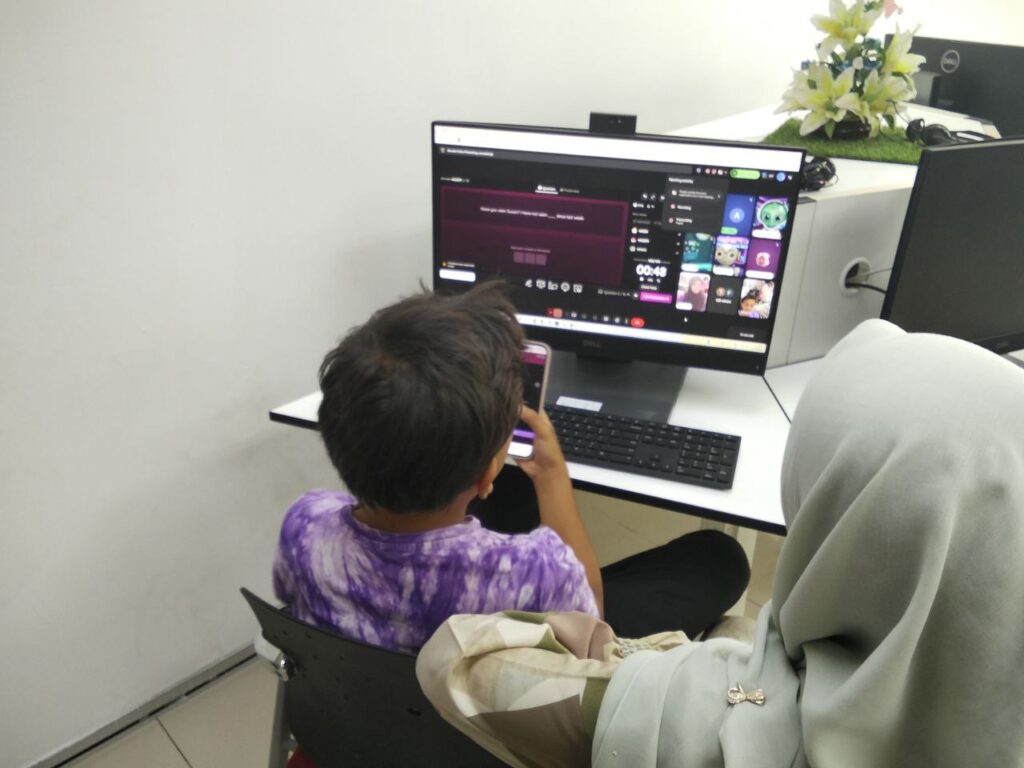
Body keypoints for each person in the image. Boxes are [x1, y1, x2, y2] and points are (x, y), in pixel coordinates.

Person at [419, 318, 1024, 767]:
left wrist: (646, 657)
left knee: (714, 555)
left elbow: (452, 659)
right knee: (722, 557)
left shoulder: (706, 713)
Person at [273, 280, 749, 655]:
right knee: (720, 556)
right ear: (486, 477)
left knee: (516, 493)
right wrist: (553, 475)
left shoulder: (304, 524)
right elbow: (593, 623)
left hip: (375, 712)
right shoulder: (539, 571)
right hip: (488, 722)